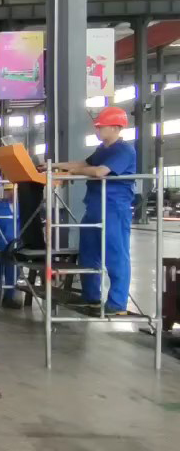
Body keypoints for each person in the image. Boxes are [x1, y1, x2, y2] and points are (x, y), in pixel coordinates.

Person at [44, 106, 135, 315]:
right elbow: (83, 163)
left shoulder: (124, 150)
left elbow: (100, 171)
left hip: (113, 208)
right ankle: (91, 297)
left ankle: (117, 303)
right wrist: (53, 166)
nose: (97, 130)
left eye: (101, 127)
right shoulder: (102, 149)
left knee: (115, 254)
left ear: (115, 127)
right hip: (94, 206)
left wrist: (73, 172)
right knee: (88, 253)